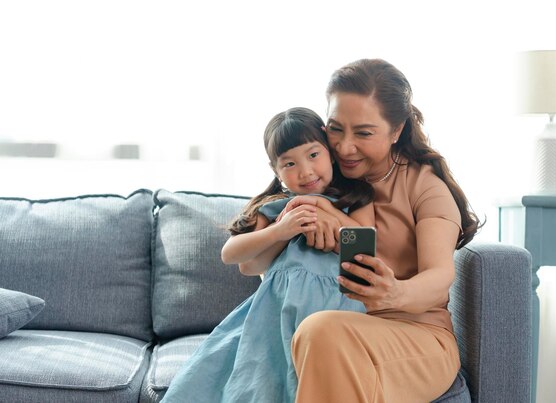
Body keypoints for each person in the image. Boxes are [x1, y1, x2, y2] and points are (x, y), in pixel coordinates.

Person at [288, 59, 481, 403]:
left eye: (363, 133)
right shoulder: (319, 176)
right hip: (343, 327)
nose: (345, 147)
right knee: (319, 334)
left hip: (418, 337)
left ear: (396, 131)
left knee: (322, 333)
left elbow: (439, 275)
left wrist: (395, 294)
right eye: (335, 128)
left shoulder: (425, 186)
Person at [161, 107, 375, 403]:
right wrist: (281, 230)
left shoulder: (355, 198)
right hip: (277, 307)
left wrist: (327, 215)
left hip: (336, 306)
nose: (306, 171)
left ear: (330, 152)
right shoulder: (275, 207)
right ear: (276, 171)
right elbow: (231, 254)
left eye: (313, 155)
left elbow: (364, 248)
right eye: (289, 163)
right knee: (256, 378)